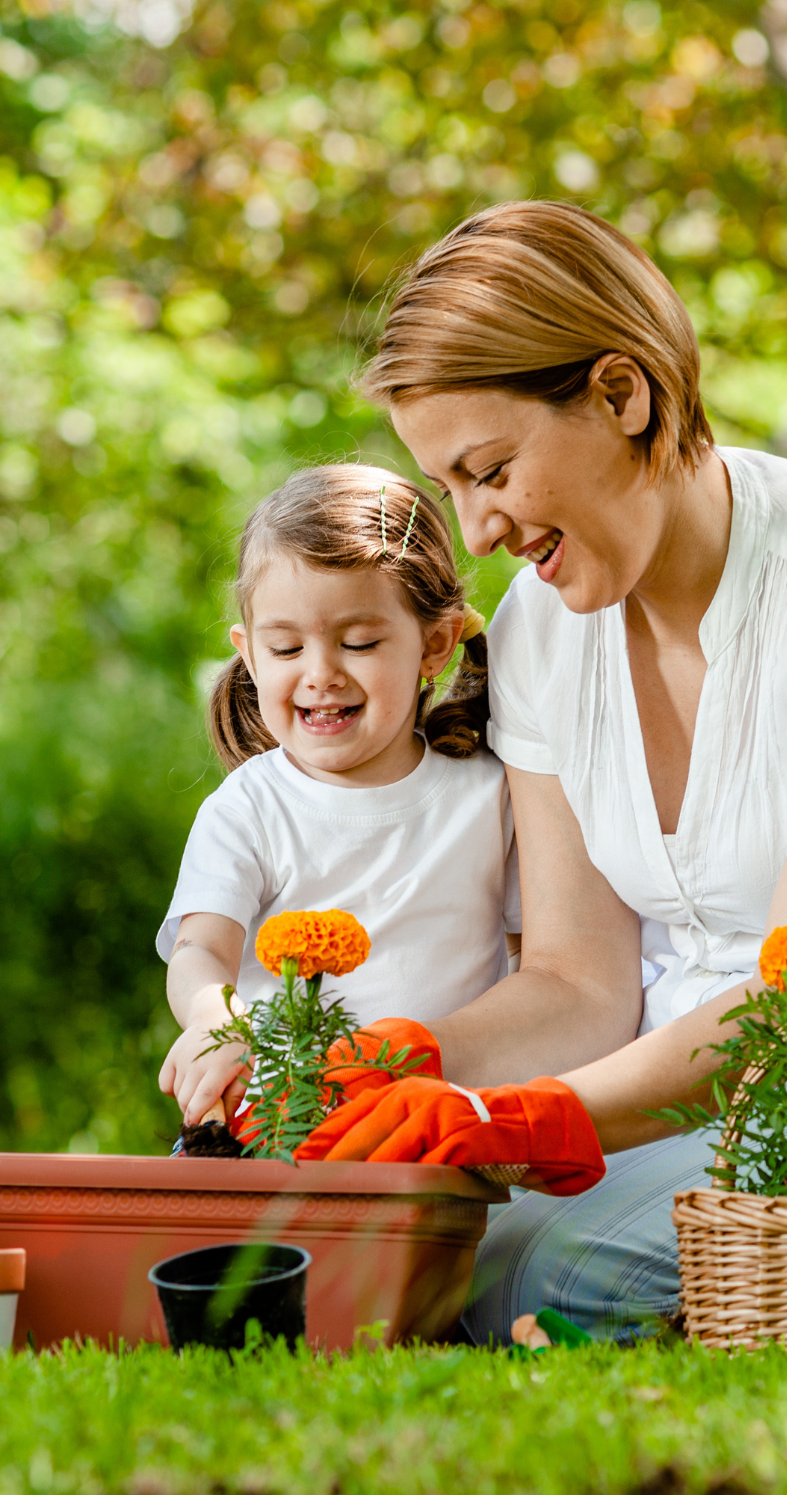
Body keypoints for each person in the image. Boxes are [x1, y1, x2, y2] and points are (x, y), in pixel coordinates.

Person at [296, 200, 787, 1343]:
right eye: (452, 488)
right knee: (380, 1251)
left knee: (538, 1279)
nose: (477, 530)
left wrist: (529, 1121)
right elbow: (579, 980)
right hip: (655, 1121)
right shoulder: (540, 632)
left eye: (495, 470)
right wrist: (411, 1063)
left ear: (624, 394)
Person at [156, 463, 521, 1126]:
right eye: (286, 646)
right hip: (281, 1126)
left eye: (358, 642)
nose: (319, 673)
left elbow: (534, 968)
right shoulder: (250, 808)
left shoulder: (488, 795)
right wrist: (218, 1021)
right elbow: (200, 950)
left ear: (433, 644)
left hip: (441, 1129)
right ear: (250, 653)